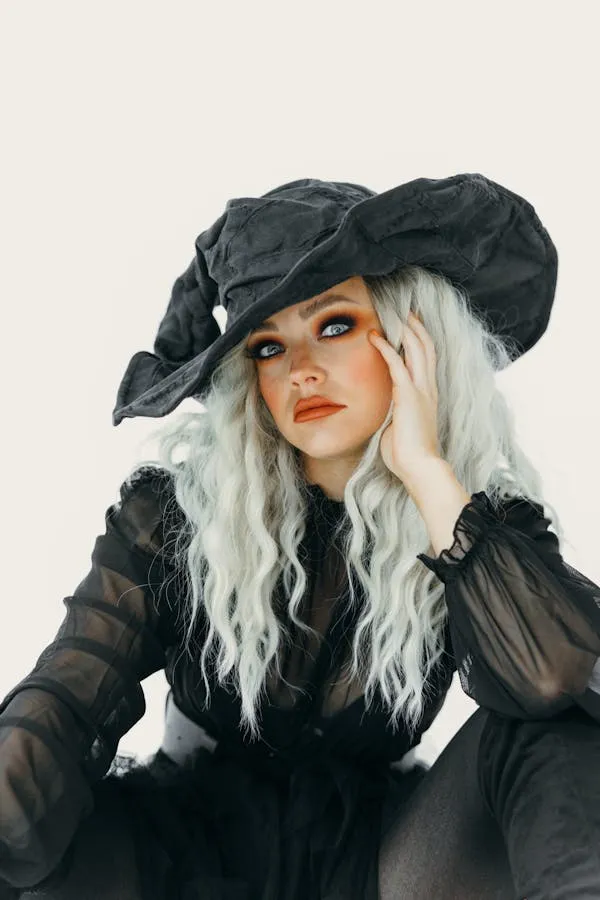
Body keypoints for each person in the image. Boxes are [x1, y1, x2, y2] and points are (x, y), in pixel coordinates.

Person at [1, 174, 600, 900]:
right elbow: (66, 696)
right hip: (174, 860)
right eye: (267, 346)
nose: (300, 371)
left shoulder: (476, 526)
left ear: (413, 337)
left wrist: (425, 469)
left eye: (335, 325)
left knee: (559, 723)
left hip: (376, 865)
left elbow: (557, 674)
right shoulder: (172, 516)